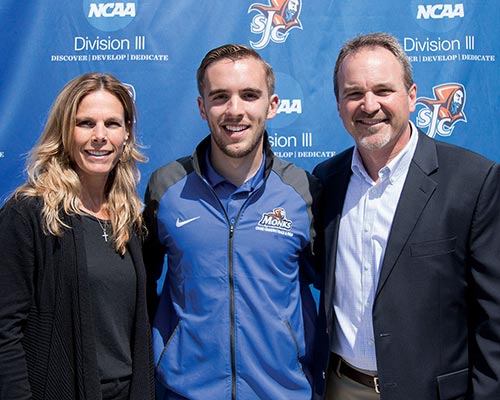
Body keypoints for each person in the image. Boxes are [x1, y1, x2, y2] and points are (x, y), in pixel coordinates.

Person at [312, 32, 500, 399]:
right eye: (354, 94)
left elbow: (495, 318)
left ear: (412, 96)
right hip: (341, 387)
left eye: (383, 90)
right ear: (338, 106)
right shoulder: (326, 181)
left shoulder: (473, 181)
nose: (369, 105)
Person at [143, 44, 319, 399]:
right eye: (220, 96)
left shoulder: (303, 190)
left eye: (249, 95)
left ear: (272, 105)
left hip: (283, 393)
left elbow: (337, 290)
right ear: (202, 107)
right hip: (184, 392)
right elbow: (136, 287)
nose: (235, 110)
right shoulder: (167, 187)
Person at [0, 72, 154, 400]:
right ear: (64, 132)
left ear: (126, 133)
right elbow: (4, 330)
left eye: (112, 124)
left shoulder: (131, 220)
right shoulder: (30, 214)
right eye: (85, 123)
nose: (100, 136)